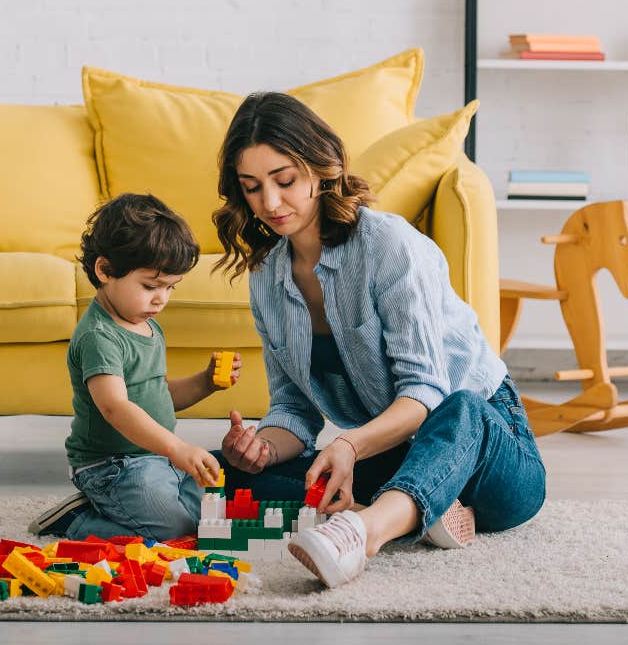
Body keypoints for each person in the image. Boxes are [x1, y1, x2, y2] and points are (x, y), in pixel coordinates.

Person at [211, 92, 546, 588]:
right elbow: (294, 413)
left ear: (321, 169)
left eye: (285, 181)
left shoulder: (389, 245)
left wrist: (347, 444)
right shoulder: (268, 277)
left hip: (490, 452)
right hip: (397, 456)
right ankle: (421, 509)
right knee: (220, 473)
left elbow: (426, 393)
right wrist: (259, 448)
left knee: (461, 406)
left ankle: (363, 531)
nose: (271, 203)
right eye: (252, 188)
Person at [29, 192, 241, 541]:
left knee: (207, 516)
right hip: (112, 466)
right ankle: (76, 521)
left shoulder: (146, 323)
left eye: (170, 287)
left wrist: (205, 382)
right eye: (150, 286)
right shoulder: (100, 336)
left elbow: (156, 395)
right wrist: (177, 448)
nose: (161, 299)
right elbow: (117, 407)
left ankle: (127, 508)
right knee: (175, 530)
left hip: (156, 457)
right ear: (105, 270)